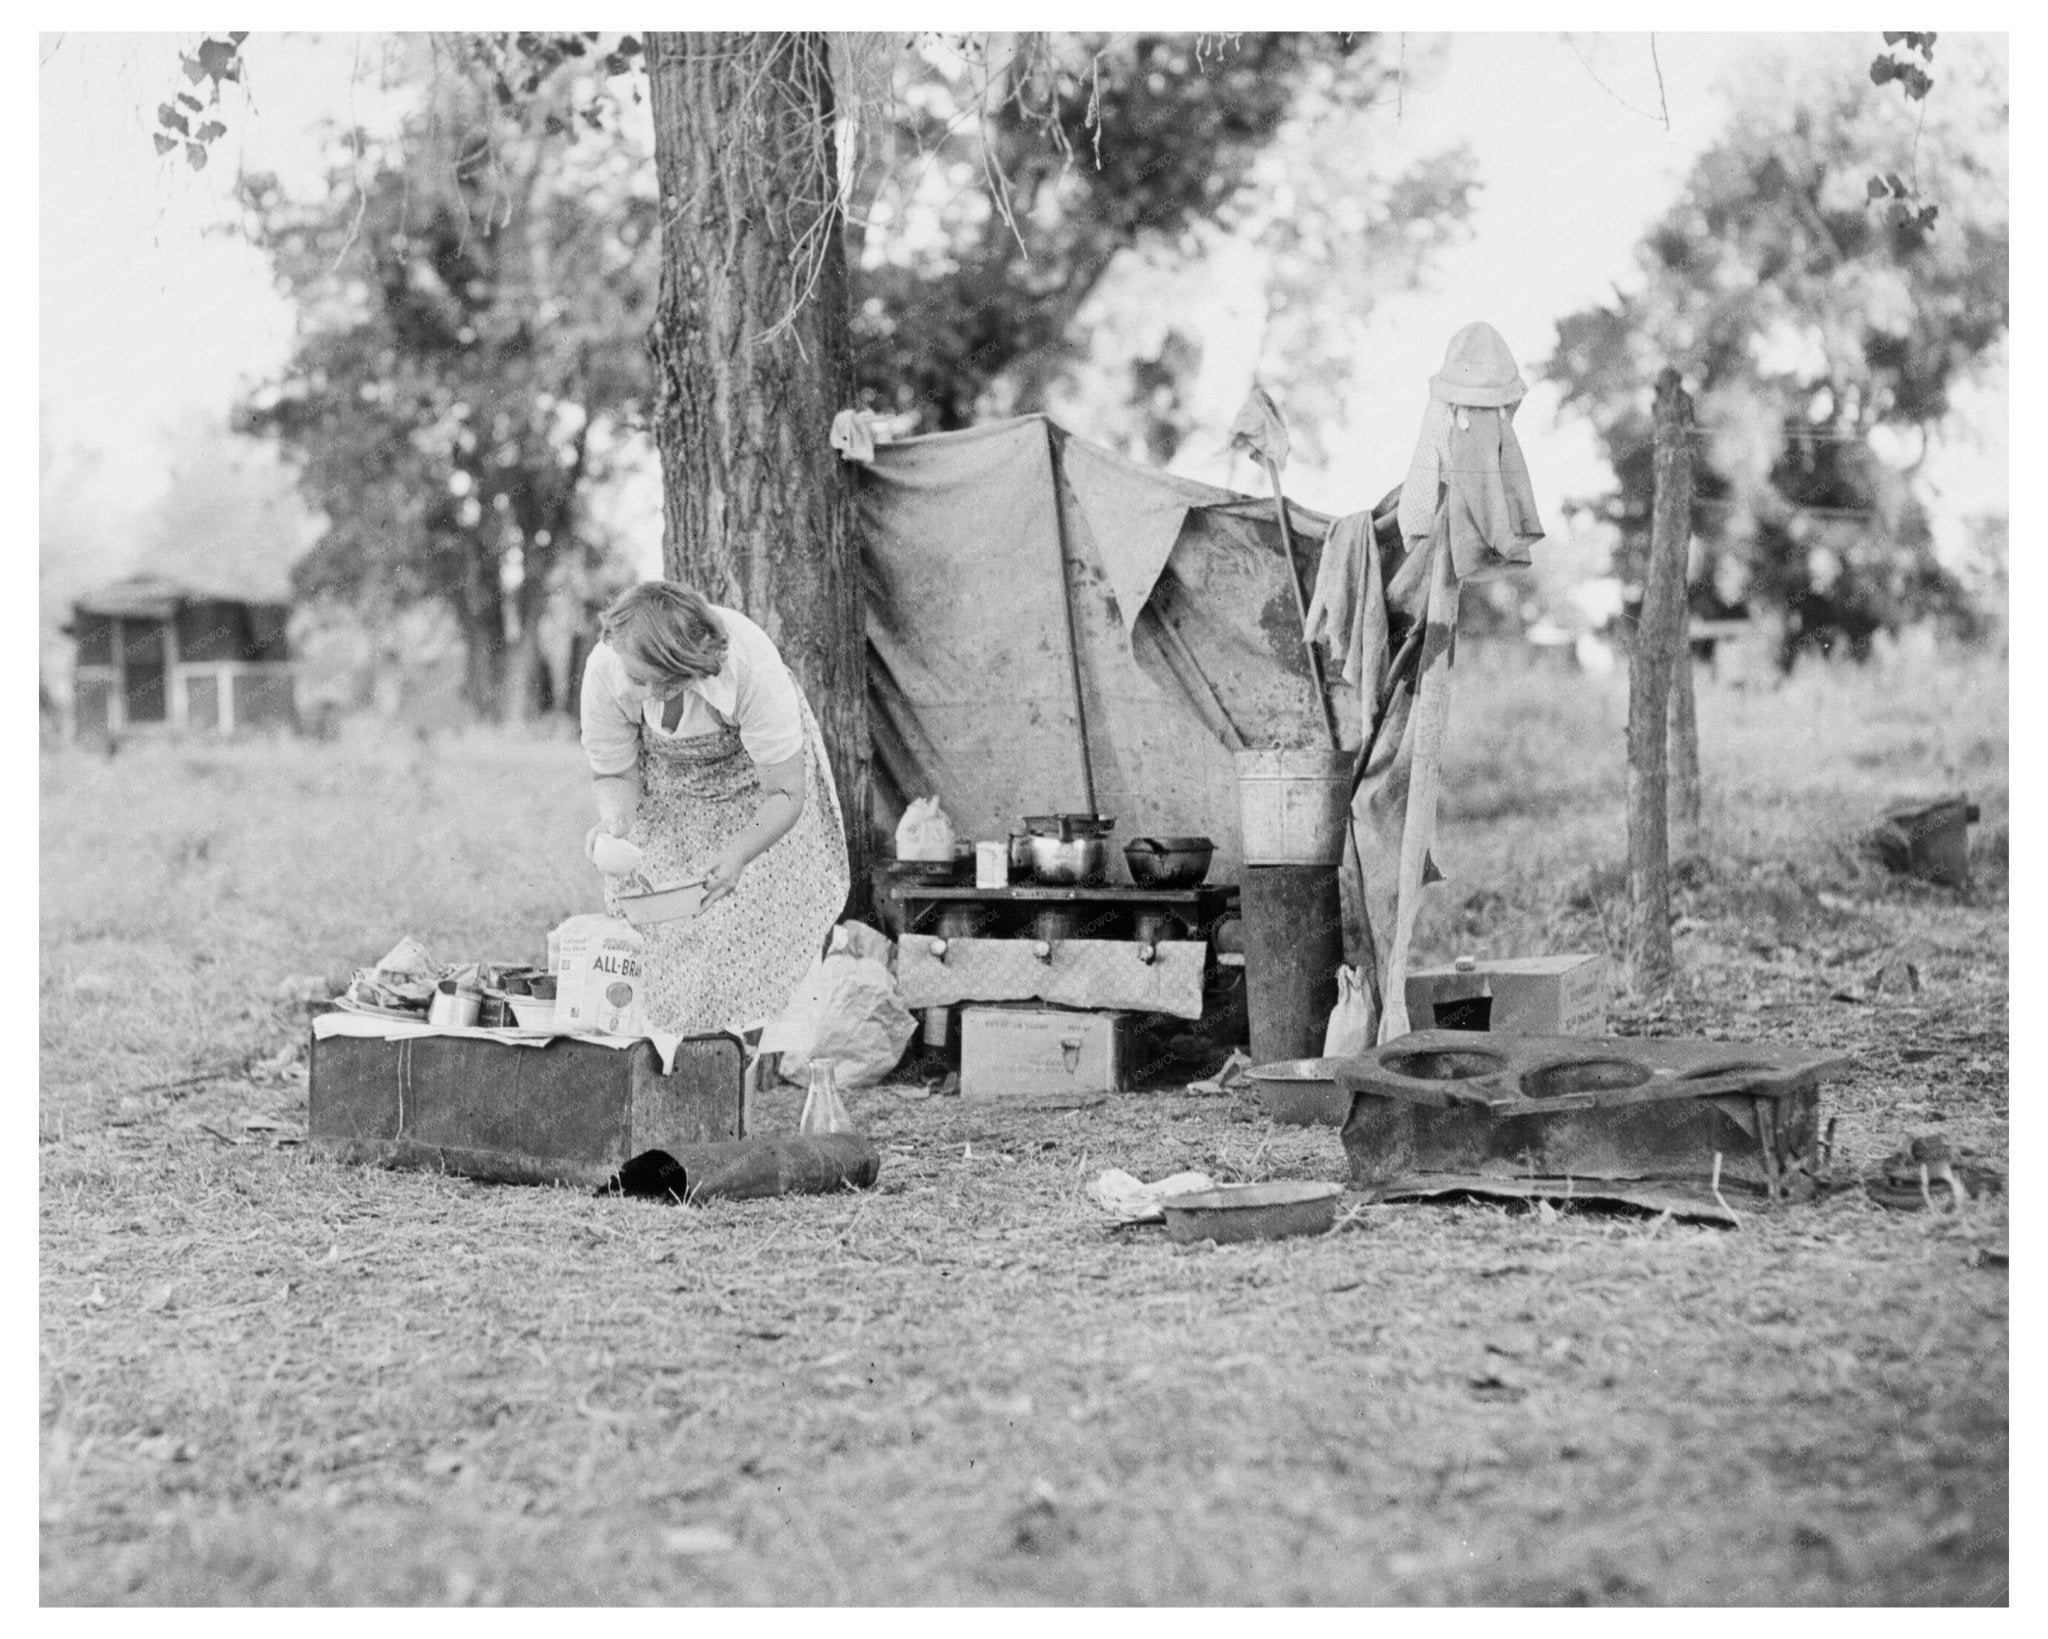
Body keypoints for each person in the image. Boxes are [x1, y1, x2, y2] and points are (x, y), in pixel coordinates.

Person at [578, 581, 850, 1036]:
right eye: (633, 677)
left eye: (649, 682)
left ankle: (733, 1066)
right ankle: (670, 1065)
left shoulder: (750, 667)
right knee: (660, 928)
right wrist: (615, 821)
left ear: (684, 671)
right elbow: (614, 774)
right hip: (670, 784)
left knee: (743, 930)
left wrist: (739, 853)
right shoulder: (609, 667)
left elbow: (785, 794)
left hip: (759, 789)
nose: (634, 688)